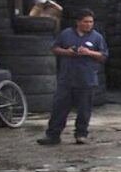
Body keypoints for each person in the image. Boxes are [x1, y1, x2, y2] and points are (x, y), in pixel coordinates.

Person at [37, 9, 108, 145]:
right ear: (78, 22)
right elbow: (54, 49)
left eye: (91, 22)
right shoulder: (66, 34)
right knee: (59, 109)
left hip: (86, 79)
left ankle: (81, 135)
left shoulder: (97, 37)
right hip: (66, 79)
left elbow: (103, 56)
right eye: (85, 22)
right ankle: (53, 135)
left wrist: (89, 52)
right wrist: (67, 52)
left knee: (84, 110)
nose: (88, 24)